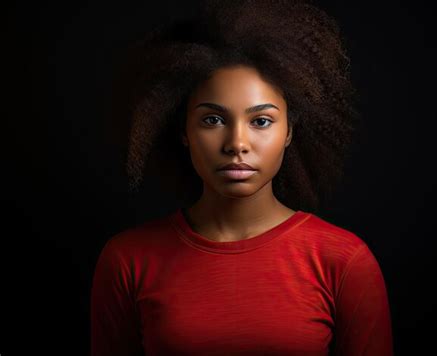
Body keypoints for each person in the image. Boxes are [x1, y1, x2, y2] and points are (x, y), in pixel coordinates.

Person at [91, 0, 394, 355]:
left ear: (289, 132)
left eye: (261, 121)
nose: (237, 144)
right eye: (213, 120)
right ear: (184, 130)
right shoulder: (128, 260)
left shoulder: (344, 262)